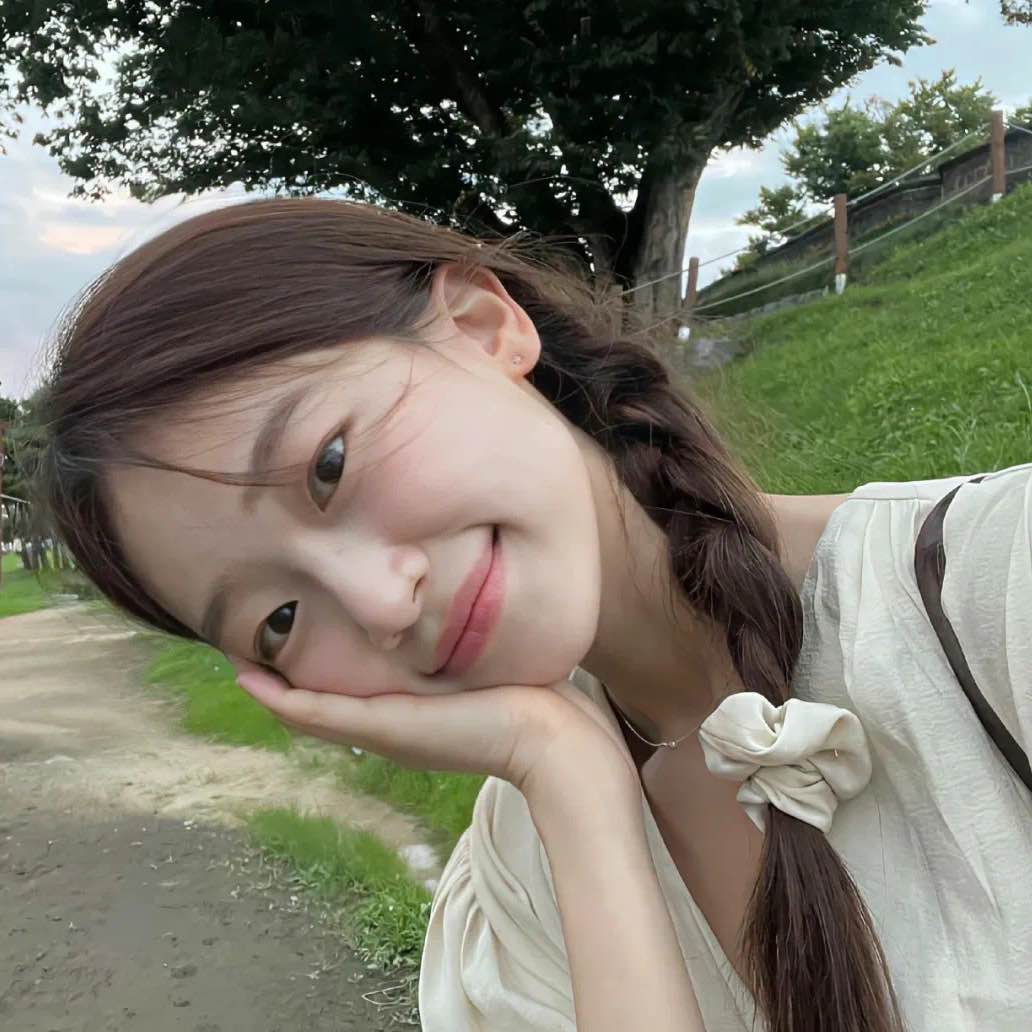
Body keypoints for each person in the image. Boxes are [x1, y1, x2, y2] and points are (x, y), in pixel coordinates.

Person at [33, 197, 1031, 1032]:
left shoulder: (995, 589)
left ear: (483, 328)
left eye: (329, 466)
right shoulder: (516, 887)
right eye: (281, 620)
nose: (380, 603)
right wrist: (570, 784)